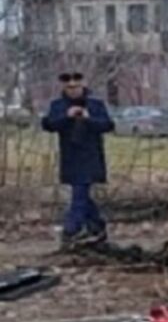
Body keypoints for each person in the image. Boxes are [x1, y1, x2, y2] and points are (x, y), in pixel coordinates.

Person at [41, 71, 115, 246]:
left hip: (91, 157)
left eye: (76, 86)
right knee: (81, 195)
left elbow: (107, 125)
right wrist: (67, 116)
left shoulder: (95, 105)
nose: (73, 90)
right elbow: (49, 124)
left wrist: (88, 119)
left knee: (79, 195)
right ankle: (97, 227)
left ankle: (71, 230)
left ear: (83, 85)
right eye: (69, 87)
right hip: (70, 157)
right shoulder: (58, 105)